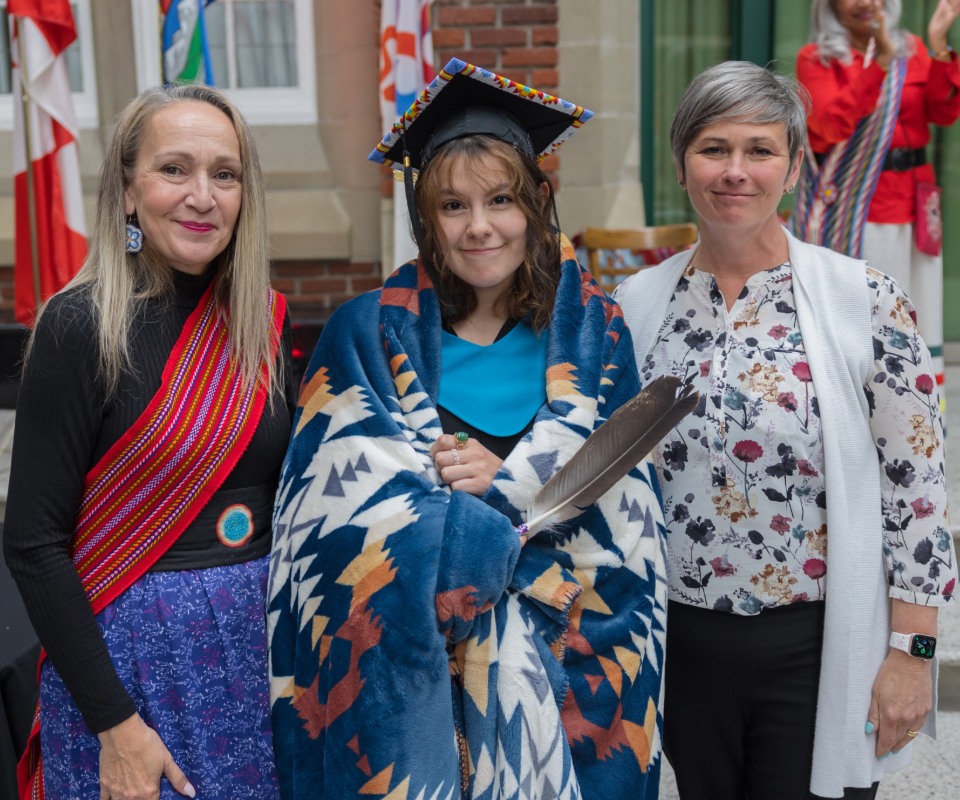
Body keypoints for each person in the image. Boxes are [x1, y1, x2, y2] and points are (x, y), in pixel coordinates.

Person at [267, 59, 668, 800]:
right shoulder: (365, 336)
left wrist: (508, 487)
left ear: (538, 202)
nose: (480, 226)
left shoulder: (596, 336)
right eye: (452, 206)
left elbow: (633, 524)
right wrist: (453, 528)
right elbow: (319, 528)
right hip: (413, 689)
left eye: (501, 199)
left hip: (572, 680)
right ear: (426, 219)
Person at [615, 61, 956, 800]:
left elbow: (919, 495)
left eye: (760, 150)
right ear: (681, 163)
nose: (735, 171)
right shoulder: (636, 306)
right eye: (713, 148)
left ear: (795, 165)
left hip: (813, 646)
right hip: (683, 646)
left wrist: (912, 654)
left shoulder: (861, 300)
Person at [3, 83, 296, 800]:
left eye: (224, 174)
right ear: (129, 192)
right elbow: (33, 544)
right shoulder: (79, 327)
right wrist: (119, 727)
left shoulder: (263, 323)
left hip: (259, 656)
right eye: (175, 169)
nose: (203, 195)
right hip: (132, 674)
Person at [794, 0, 960, 404]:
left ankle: (921, 404)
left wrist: (940, 45)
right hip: (862, 204)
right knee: (878, 310)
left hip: (919, 200)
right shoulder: (816, 58)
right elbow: (825, 128)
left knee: (922, 305)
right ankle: (876, 402)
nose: (867, 2)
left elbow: (944, 112)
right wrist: (879, 65)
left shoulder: (915, 49)